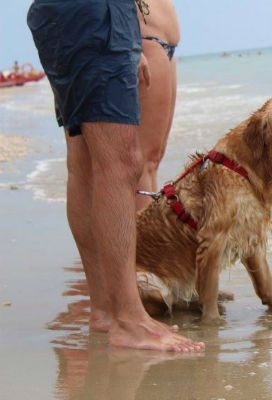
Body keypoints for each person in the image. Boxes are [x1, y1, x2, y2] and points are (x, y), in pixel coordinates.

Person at [27, 0, 204, 352]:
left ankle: (109, 309)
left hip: (94, 18)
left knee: (94, 162)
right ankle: (128, 316)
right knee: (121, 162)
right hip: (96, 14)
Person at [135, 0, 181, 211]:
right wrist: (128, 43)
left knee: (154, 158)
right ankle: (142, 241)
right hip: (144, 40)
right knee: (142, 163)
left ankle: (147, 235)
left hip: (163, 44)